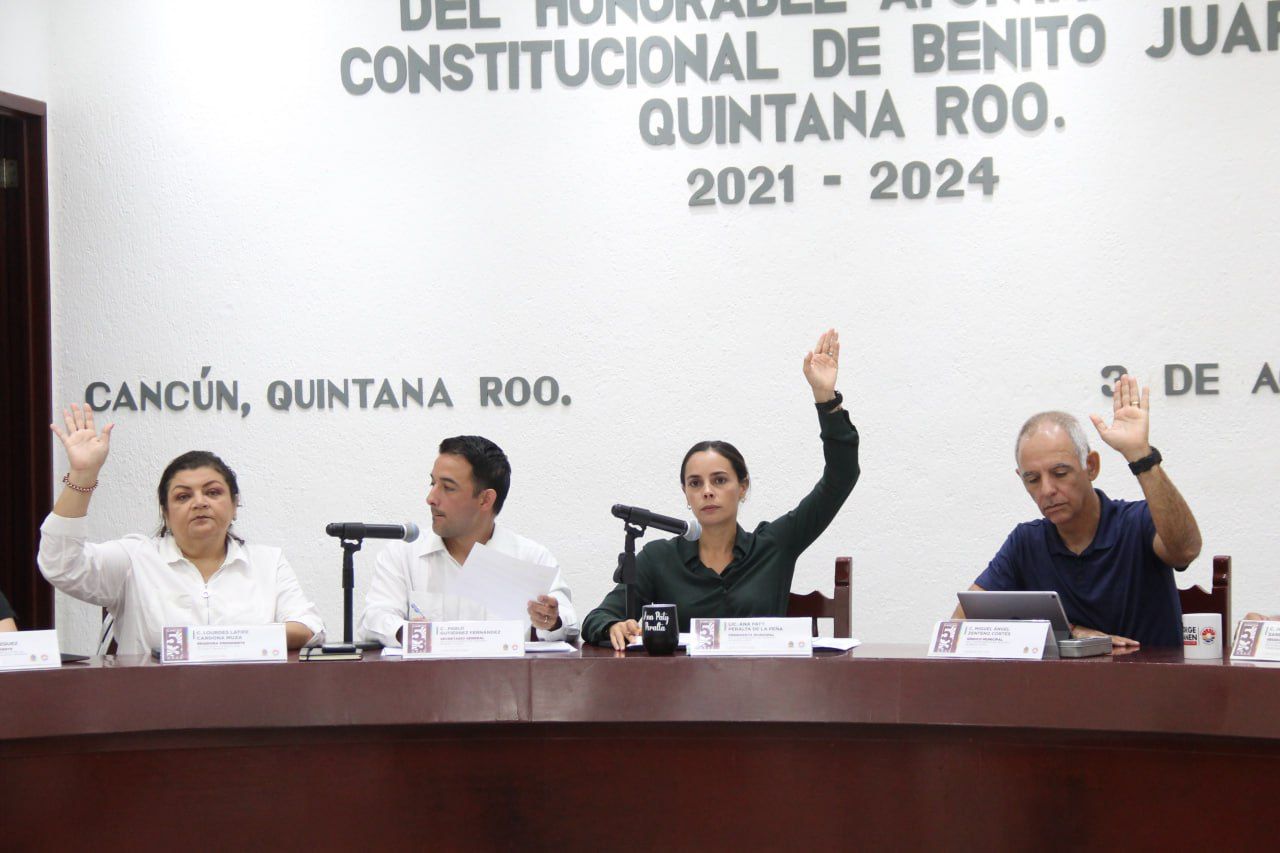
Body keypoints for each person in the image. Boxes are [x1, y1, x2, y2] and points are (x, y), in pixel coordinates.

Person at [582, 329, 860, 650]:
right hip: (684, 682)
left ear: (742, 487)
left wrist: (826, 400)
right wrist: (613, 625)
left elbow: (841, 477)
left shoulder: (774, 545)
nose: (707, 491)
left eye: (719, 480)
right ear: (686, 494)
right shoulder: (659, 559)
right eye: (695, 483)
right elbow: (597, 618)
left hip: (762, 680)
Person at [37, 404, 324, 656]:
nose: (200, 502)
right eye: (183, 496)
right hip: (152, 699)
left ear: (235, 504)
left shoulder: (267, 562)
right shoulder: (134, 559)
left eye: (212, 492)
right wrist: (83, 474)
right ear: (165, 512)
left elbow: (308, 627)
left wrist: (230, 640)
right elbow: (61, 566)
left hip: (248, 695)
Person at [954, 375, 1202, 647]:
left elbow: (1186, 550)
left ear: (1091, 466)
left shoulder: (1138, 522)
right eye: (1032, 479)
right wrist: (1069, 631)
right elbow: (958, 626)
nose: (1047, 490)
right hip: (1069, 677)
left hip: (1150, 674)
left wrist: (1141, 457)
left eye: (1060, 473)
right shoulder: (1026, 542)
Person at [357, 435, 577, 646]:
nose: (431, 498)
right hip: (425, 673)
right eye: (432, 483)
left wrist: (551, 621)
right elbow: (374, 619)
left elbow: (568, 624)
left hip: (505, 674)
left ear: (485, 499)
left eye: (448, 488)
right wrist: (415, 636)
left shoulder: (531, 558)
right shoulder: (403, 554)